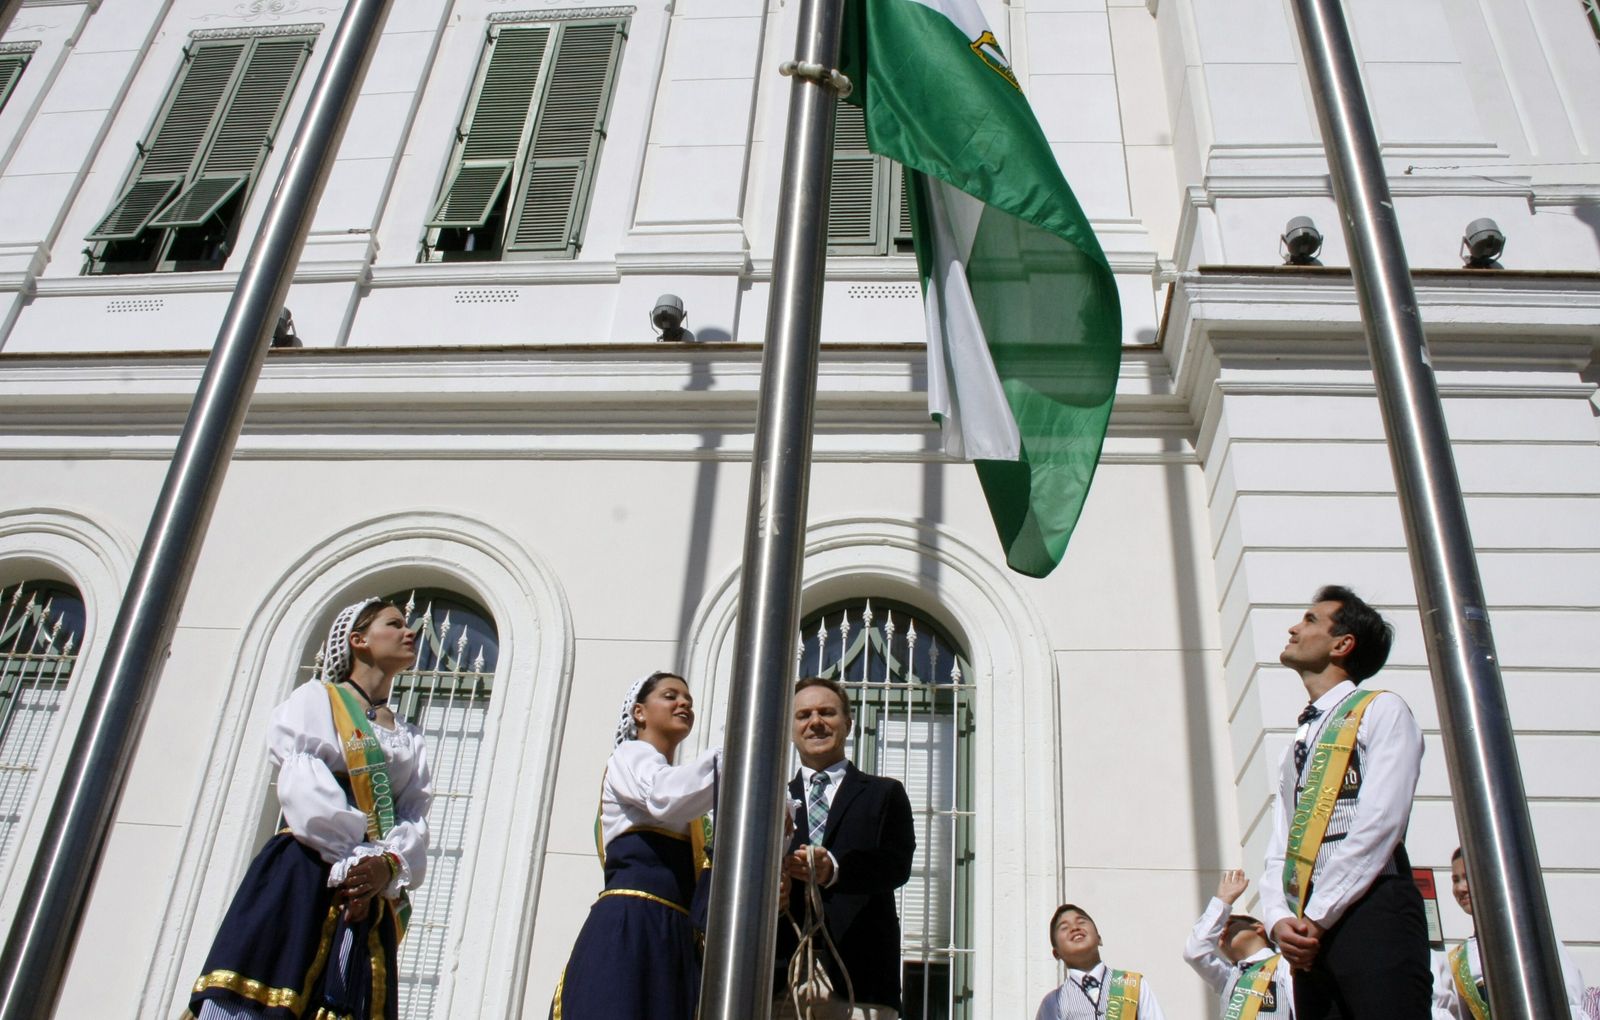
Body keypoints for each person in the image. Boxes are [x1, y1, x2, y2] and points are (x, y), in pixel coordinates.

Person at [186, 597, 433, 1019]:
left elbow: (413, 814)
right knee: (265, 988)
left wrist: (387, 866)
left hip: (366, 883)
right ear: (358, 640)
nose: (409, 633)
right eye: (394, 625)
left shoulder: (409, 737)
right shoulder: (319, 700)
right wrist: (353, 857)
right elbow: (302, 786)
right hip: (307, 868)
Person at [1260, 585, 1431, 1018]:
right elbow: (1281, 844)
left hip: (1371, 912)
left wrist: (1317, 915)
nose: (1294, 628)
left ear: (1343, 644)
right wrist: (1278, 918)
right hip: (1307, 937)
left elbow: (1380, 824)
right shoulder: (1295, 745)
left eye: (1310, 619)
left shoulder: (1381, 709)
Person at [551, 670, 719, 1020]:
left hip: (673, 935)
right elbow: (663, 795)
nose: (684, 702)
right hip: (632, 924)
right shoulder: (631, 758)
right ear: (639, 712)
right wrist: (735, 753)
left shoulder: (689, 794)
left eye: (688, 698)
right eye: (670, 695)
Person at [773, 676, 915, 1020]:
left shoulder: (884, 793)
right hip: (779, 976)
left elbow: (896, 865)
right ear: (790, 728)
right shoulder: (769, 797)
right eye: (803, 715)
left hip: (860, 977)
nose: (815, 722)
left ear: (848, 724)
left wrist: (834, 868)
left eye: (827, 712)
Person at [1431, 846, 1593, 1019]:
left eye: (1468, 877)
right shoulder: (1459, 958)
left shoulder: (1531, 936)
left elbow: (1568, 1001)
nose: (1461, 888)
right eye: (1455, 880)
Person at [1183, 869, 1294, 1018]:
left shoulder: (1284, 964)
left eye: (1230, 923)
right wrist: (1223, 901)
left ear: (1258, 928)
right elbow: (1194, 952)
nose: (1222, 931)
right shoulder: (1228, 976)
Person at [1035, 904, 1166, 1020]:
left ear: (1099, 939)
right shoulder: (1053, 1003)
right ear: (1056, 953)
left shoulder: (1133, 984)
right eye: (1064, 928)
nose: (1075, 927)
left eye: (1081, 922)